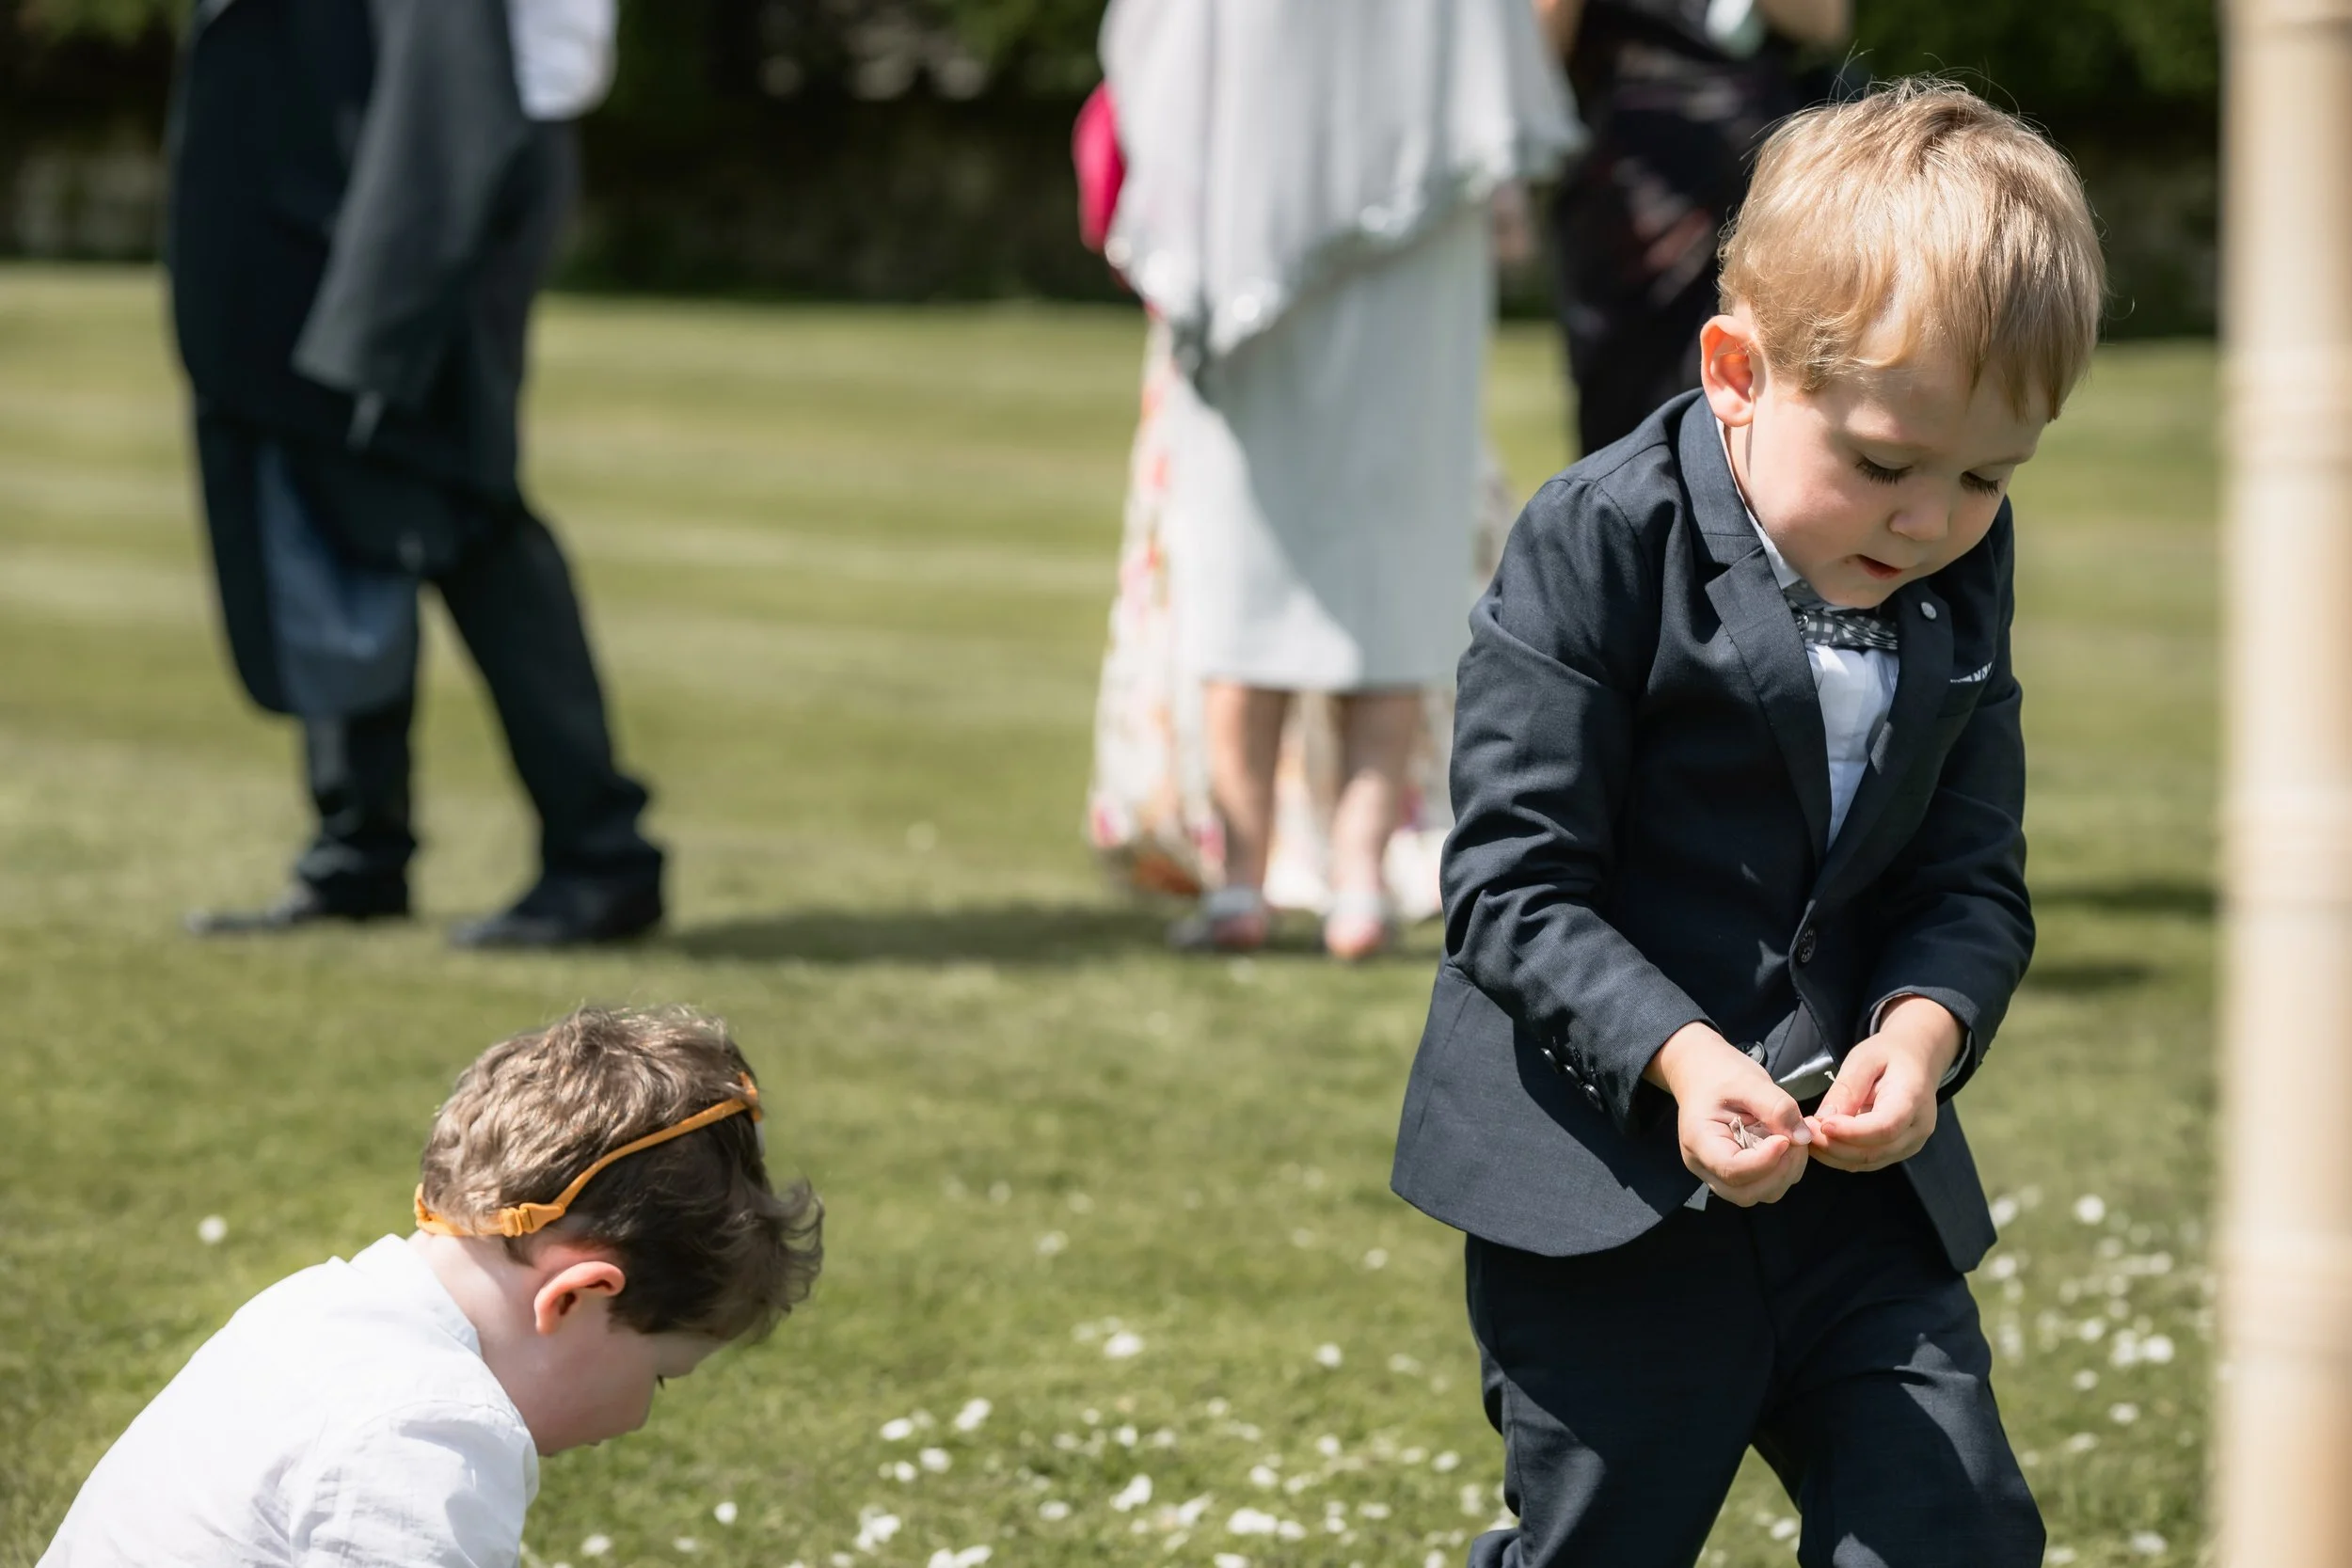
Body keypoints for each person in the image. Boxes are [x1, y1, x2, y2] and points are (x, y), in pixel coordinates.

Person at [1390, 81, 2104, 1566]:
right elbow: (1515, 886)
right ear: (1737, 370)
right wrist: (1687, 1061)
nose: (1931, 520)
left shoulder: (1962, 567)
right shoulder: (1598, 538)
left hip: (1854, 1207)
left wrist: (1920, 1041)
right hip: (1613, 1189)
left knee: (1951, 1527)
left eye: (1989, 475)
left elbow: (1971, 872)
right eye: (1888, 464)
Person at [168, 0, 665, 948]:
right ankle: (358, 849)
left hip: (444, 153)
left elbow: (459, 60)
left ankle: (602, 855)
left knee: (459, 504)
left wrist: (395, 263)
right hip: (346, 138)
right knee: (323, 475)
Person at [1099, 0, 1581, 960]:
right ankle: (1356, 881)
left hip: (1250, 232)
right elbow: (1493, 61)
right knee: (1390, 571)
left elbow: (1152, 50)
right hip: (1416, 244)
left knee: (1247, 565)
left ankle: (1243, 875)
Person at [39, 1006, 822, 1565]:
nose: (645, 1414)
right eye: (659, 1374)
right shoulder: (427, 1430)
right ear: (576, 1296)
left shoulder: (316, 1310)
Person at [1537, 0, 1852, 457]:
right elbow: (1536, 52)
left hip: (1753, 166)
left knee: (1758, 383)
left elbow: (1826, 23)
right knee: (1623, 407)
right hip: (1627, 195)